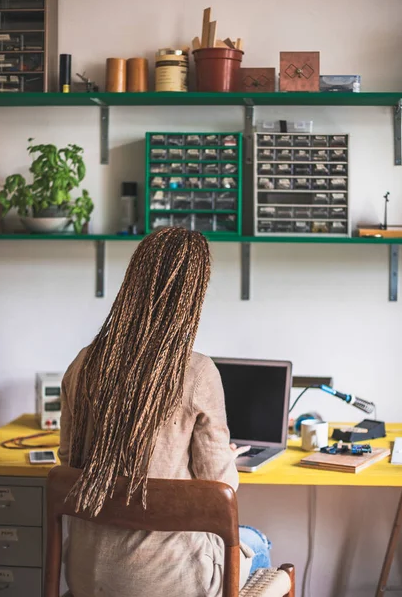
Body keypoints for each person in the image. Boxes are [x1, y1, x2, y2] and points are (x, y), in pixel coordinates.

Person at [58, 227, 271, 597]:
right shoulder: (197, 373)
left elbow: (67, 460)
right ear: (193, 296)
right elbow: (220, 490)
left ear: (133, 282)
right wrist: (228, 460)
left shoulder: (85, 363)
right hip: (170, 581)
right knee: (258, 540)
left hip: (85, 575)